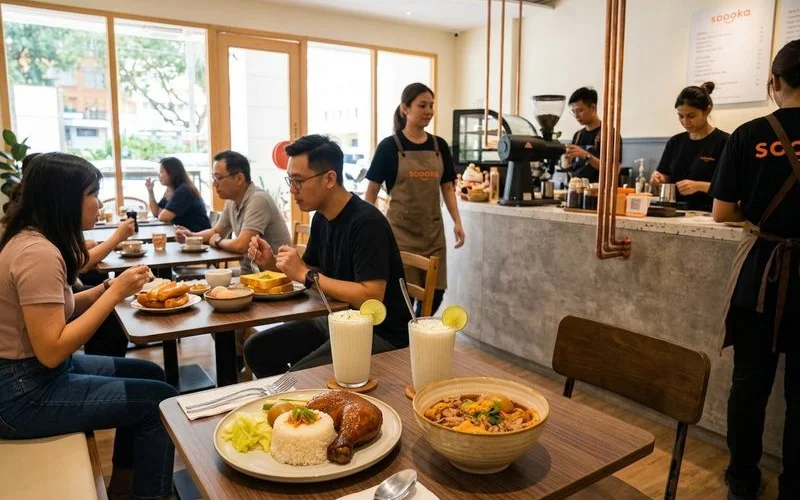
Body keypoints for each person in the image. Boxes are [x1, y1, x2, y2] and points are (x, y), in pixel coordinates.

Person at [0, 152, 177, 500]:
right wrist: (116, 294)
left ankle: (125, 484)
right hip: (22, 394)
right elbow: (52, 350)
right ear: (64, 199)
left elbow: (57, 311)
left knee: (152, 375)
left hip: (31, 376)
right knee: (161, 401)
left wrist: (106, 288)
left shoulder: (32, 241)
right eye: (93, 194)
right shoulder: (38, 254)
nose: (99, 203)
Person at [710, 40, 800, 500]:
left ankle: (743, 480)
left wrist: (764, 218)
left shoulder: (748, 134)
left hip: (762, 272)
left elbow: (722, 212)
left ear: (775, 81)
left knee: (749, 384)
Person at [243, 135, 411, 378]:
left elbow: (371, 296)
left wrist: (305, 274)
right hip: (338, 320)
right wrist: (273, 264)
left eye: (299, 181)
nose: (292, 189)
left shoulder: (367, 223)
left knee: (298, 378)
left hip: (380, 331)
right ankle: (292, 399)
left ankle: (299, 396)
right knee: (257, 348)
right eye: (290, 180)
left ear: (330, 179)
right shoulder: (322, 217)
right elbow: (314, 271)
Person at [365, 82, 464, 316]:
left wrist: (457, 222)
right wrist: (369, 227)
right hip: (401, 235)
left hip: (433, 233)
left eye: (431, 105)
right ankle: (410, 331)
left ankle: (421, 325)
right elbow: (371, 191)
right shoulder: (389, 147)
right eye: (422, 105)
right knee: (404, 294)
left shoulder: (439, 146)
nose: (429, 111)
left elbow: (447, 188)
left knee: (436, 292)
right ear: (405, 109)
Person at [174, 150, 291, 273]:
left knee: (210, 279)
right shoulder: (232, 202)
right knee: (208, 277)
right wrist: (191, 236)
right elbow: (216, 231)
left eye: (218, 178)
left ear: (239, 178)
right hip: (250, 273)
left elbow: (242, 245)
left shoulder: (258, 200)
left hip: (273, 276)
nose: (214, 184)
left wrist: (217, 241)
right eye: (213, 178)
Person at [652, 82, 729, 211]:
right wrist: (658, 178)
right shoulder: (675, 142)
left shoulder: (724, 142)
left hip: (710, 212)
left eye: (691, 116)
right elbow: (665, 175)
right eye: (681, 116)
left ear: (707, 111)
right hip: (674, 211)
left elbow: (729, 187)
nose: (685, 122)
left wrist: (699, 186)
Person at [564, 87, 617, 183]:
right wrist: (567, 162)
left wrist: (586, 155)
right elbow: (572, 170)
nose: (576, 116)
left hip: (599, 190)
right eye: (574, 111)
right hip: (578, 189)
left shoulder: (609, 134)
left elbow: (613, 171)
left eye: (580, 110)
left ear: (593, 108)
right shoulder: (577, 136)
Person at [145, 156, 210, 232]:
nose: (159, 175)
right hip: (183, 233)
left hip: (197, 235)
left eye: (162, 172)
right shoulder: (171, 189)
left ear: (172, 173)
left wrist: (162, 213)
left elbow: (163, 217)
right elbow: (156, 213)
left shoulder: (184, 190)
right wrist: (150, 191)